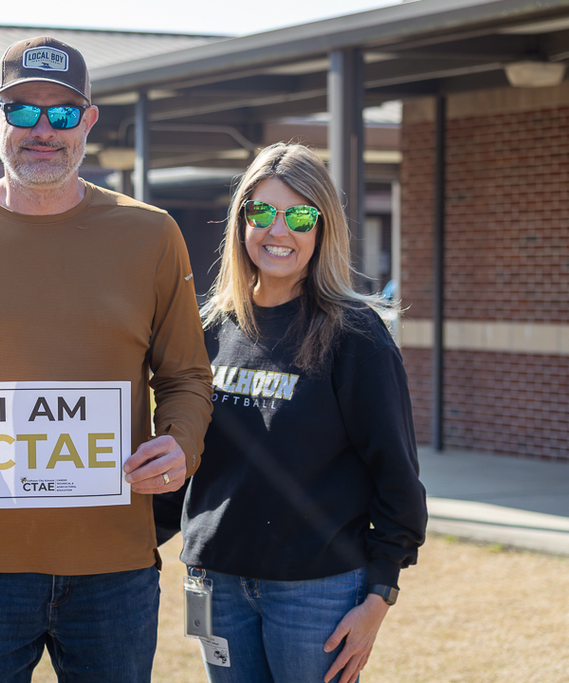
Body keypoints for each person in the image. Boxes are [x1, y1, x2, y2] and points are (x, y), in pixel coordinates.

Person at [0, 36, 213, 683]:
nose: (42, 129)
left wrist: (180, 443)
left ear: (88, 120)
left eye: (62, 114)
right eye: (22, 110)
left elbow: (186, 377)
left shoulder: (151, 234)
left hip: (113, 567)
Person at [157, 142, 427, 683]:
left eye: (300, 215)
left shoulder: (355, 337)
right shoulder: (210, 326)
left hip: (316, 592)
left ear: (322, 228)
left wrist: (379, 595)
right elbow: (182, 456)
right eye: (262, 211)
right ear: (241, 221)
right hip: (214, 584)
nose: (278, 230)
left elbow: (397, 478)